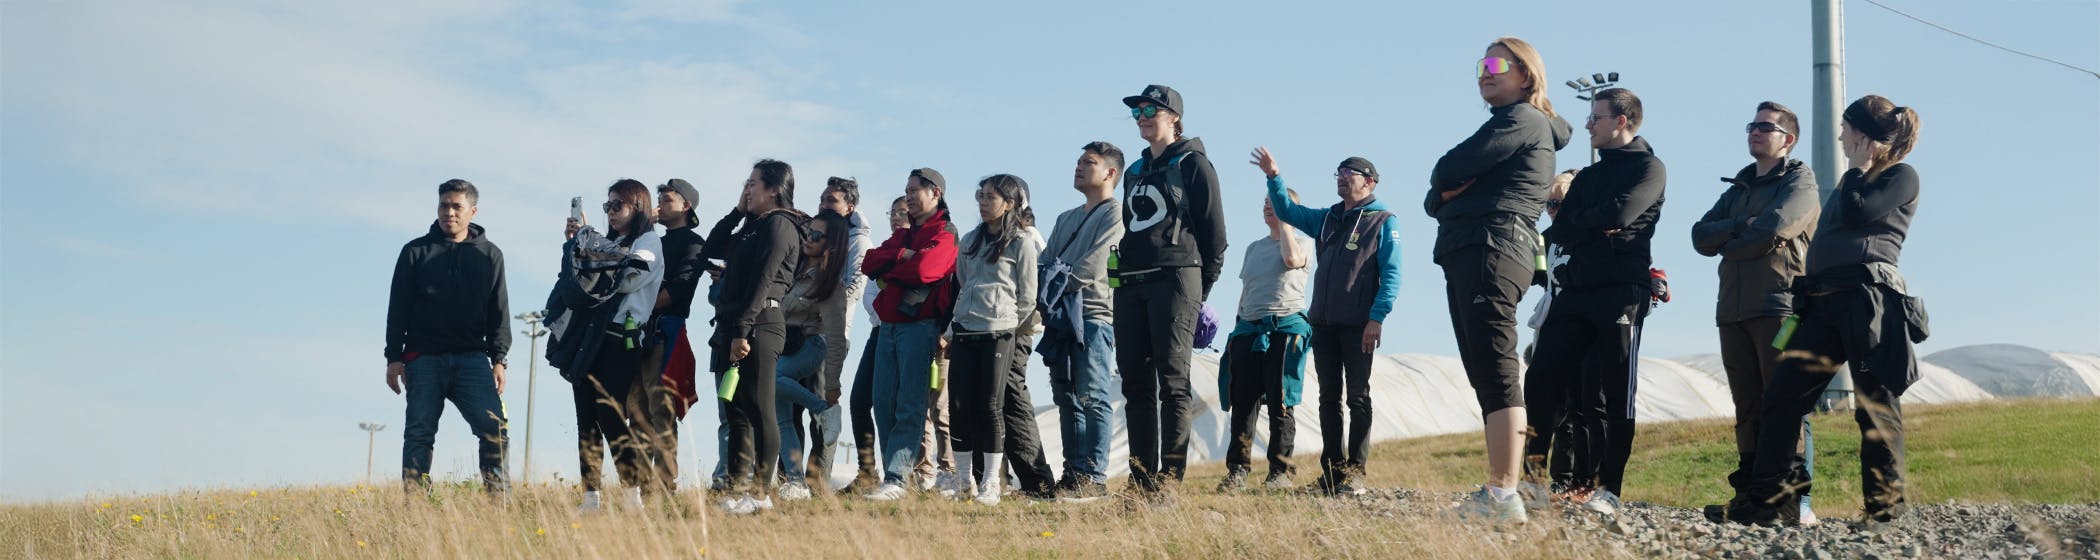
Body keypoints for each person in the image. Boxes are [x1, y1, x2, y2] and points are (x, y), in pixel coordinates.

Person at [1728, 95, 1924, 526]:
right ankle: (1772, 502)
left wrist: (1856, 169)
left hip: (1868, 303)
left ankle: (1885, 512)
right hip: (1821, 304)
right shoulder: (1851, 179)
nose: (1839, 137)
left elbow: (1861, 213)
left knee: (1875, 405)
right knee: (1782, 397)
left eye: (1844, 129)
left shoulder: (1899, 175)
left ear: (1861, 133)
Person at [1425, 36, 1572, 523]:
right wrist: (1448, 193)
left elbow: (1447, 169)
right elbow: (1435, 196)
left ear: (1526, 74)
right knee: (1484, 370)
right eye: (1481, 65)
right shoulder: (1508, 125)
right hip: (1474, 245)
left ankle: (1505, 493)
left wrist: (1453, 189)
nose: (1485, 72)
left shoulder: (1522, 120)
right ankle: (1499, 489)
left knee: (1497, 367)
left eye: (1496, 64)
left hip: (1493, 244)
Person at [1523, 88, 1666, 516]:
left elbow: (1621, 216)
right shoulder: (1586, 177)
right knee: (1541, 380)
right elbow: (1564, 226)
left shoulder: (1649, 167)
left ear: (1621, 121)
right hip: (1577, 293)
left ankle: (1608, 489)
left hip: (1622, 291)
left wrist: (1597, 222)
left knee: (1616, 393)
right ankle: (1532, 483)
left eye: (1596, 117)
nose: (1588, 125)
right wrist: (1595, 224)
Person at [1691, 101, 1823, 526]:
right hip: (1731, 310)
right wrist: (1742, 226)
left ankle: (1791, 501)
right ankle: (1751, 497)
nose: (1755, 132)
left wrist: (1734, 238)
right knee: (1747, 406)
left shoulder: (1800, 181)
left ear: (1789, 139)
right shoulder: (1739, 189)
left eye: (1766, 127)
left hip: (1778, 306)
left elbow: (1776, 227)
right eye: (1752, 125)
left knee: (1784, 403)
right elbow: (1699, 235)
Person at [1254, 151, 1405, 496]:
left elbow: (1392, 275)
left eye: (1348, 173)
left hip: (1358, 325)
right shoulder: (1328, 219)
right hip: (1323, 323)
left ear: (1369, 181)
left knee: (1358, 398)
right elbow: (1288, 212)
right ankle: (1333, 473)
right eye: (1337, 172)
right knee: (1328, 399)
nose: (1340, 177)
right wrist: (1274, 176)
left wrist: (1376, 318)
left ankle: (1356, 472)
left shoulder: (1383, 221)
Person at [1115, 85, 1229, 493]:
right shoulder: (1134, 170)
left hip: (1177, 276)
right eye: (1137, 112)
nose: (1143, 116)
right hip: (1130, 281)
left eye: (1151, 109)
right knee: (1134, 382)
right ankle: (1140, 477)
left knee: (1173, 380)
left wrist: (1201, 292)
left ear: (1174, 117)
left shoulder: (1194, 163)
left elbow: (1215, 233)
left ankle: (1169, 479)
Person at [384, 179, 511, 497]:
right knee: (419, 434)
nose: (449, 212)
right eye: (444, 205)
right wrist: (393, 357)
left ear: (472, 211)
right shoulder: (414, 252)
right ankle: (416, 509)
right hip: (422, 359)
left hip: (472, 360)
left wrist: (499, 359)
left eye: (457, 206)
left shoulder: (490, 255)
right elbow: (397, 307)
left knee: (494, 429)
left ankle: (500, 504)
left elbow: (500, 310)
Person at [702, 160, 806, 514]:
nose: (748, 188)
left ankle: (761, 494)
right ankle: (735, 489)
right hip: (735, 324)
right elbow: (711, 247)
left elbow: (763, 280)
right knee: (736, 411)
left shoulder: (780, 225)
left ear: (774, 189)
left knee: (760, 408)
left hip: (761, 324)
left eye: (753, 184)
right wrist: (737, 210)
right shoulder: (752, 226)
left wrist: (744, 330)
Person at [561, 179, 664, 512]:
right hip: (591, 334)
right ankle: (591, 497)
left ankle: (633, 493)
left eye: (618, 205)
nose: (612, 212)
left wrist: (594, 246)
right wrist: (580, 243)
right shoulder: (611, 242)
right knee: (585, 417)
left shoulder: (649, 240)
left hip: (622, 337)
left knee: (610, 412)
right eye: (608, 206)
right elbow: (584, 279)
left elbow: (630, 275)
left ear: (639, 206)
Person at [860, 168, 960, 501]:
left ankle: (897, 477)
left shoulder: (945, 232)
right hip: (889, 326)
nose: (908, 197)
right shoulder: (904, 237)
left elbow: (927, 270)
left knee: (910, 403)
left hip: (920, 326)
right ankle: (895, 474)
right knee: (882, 401)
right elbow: (869, 262)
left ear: (936, 193)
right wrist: (902, 255)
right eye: (906, 191)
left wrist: (897, 267)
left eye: (914, 190)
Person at [944, 174, 1041, 505]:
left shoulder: (1021, 243)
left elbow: (1029, 297)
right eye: (980, 195)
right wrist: (951, 329)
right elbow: (963, 284)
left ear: (1009, 203)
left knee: (989, 407)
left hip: (999, 333)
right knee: (958, 407)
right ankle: (962, 481)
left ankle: (991, 483)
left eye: (991, 196)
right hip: (964, 330)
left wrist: (1010, 325)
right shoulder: (970, 240)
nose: (983, 202)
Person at [1039, 142, 1125, 499]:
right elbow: (1045, 260)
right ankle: (1072, 474)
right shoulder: (1065, 218)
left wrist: (1054, 282)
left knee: (1093, 394)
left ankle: (1094, 475)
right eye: (1077, 161)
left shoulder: (1116, 214)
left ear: (1110, 173)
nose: (1078, 167)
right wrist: (1051, 283)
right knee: (1066, 397)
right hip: (1061, 317)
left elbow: (1093, 265)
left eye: (1088, 162)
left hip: (1093, 315)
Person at [1213, 187, 1313, 494]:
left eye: (1277, 204)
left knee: (1281, 401)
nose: (1268, 208)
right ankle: (1237, 471)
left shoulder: (1304, 242)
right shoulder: (1253, 248)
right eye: (1266, 203)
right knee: (1243, 403)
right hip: (1249, 330)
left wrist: (1286, 222)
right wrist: (1237, 325)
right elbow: (1247, 291)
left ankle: (1279, 471)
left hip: (1285, 326)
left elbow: (1291, 258)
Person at [627, 178, 706, 498]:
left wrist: (641, 306)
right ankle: (639, 485)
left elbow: (680, 289)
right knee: (636, 411)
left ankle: (664, 484)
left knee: (661, 409)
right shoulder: (650, 240)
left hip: (664, 333)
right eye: (658, 197)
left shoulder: (693, 243)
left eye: (667, 198)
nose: (660, 202)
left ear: (686, 205)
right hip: (636, 332)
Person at [773, 210, 859, 500]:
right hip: (785, 345)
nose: (809, 238)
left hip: (812, 347)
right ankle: (795, 482)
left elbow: (835, 339)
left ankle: (824, 409)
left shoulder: (830, 286)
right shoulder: (795, 271)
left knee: (772, 379)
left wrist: (833, 385)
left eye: (817, 235)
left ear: (831, 244)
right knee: (781, 415)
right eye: (809, 231)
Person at [802, 178, 873, 490]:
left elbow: (854, 288)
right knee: (791, 404)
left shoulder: (857, 241)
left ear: (850, 207)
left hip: (829, 334)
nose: (824, 205)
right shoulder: (815, 234)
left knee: (822, 409)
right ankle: (789, 478)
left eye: (832, 201)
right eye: (822, 199)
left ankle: (817, 483)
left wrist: (820, 296)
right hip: (800, 329)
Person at [846, 196, 912, 492]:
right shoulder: (883, 250)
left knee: (903, 405)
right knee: (860, 400)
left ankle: (907, 473)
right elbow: (871, 295)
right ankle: (867, 470)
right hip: (879, 331)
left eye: (903, 212)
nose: (896, 217)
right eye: (893, 212)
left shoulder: (918, 248)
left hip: (907, 331)